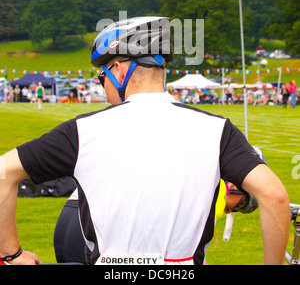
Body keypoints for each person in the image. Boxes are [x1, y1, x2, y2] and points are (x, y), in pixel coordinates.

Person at [0, 16, 290, 265]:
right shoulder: (217, 129)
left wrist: (12, 254)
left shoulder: (82, 130)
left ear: (119, 69)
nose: (103, 88)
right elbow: (275, 196)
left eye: (102, 77)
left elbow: (3, 173)